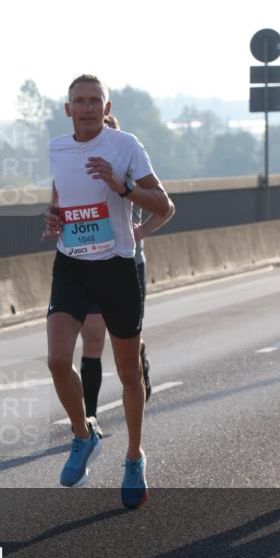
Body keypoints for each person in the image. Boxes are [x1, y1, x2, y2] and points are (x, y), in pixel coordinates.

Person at [42, 74, 175, 508]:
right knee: (58, 360)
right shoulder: (58, 148)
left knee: (129, 372)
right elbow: (62, 195)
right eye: (78, 101)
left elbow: (165, 206)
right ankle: (84, 434)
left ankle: (134, 457)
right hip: (71, 264)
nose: (86, 108)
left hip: (117, 268)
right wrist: (55, 218)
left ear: (105, 106)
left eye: (93, 101)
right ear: (67, 109)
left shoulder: (126, 146)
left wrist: (123, 186)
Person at [78, 114, 168, 421]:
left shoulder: (130, 170)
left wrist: (142, 231)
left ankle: (139, 361)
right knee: (92, 337)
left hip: (129, 263)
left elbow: (166, 207)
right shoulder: (82, 169)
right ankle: (89, 419)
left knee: (126, 340)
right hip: (89, 263)